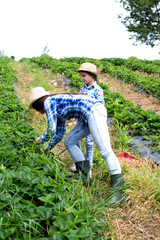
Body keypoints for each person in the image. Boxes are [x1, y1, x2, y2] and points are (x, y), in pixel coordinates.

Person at [29, 86, 125, 204]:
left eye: (36, 109)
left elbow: (51, 130)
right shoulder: (55, 104)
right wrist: (47, 149)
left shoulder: (48, 102)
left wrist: (41, 139)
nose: (38, 112)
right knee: (69, 142)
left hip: (94, 111)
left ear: (37, 105)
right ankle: (85, 179)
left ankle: (119, 193)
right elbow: (59, 133)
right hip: (88, 116)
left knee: (105, 151)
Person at [70, 63, 104, 176]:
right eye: (81, 76)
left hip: (91, 122)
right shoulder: (82, 89)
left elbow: (100, 107)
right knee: (76, 140)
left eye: (84, 75)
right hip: (81, 120)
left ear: (92, 76)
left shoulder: (97, 90)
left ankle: (88, 168)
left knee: (89, 143)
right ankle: (79, 163)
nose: (82, 78)